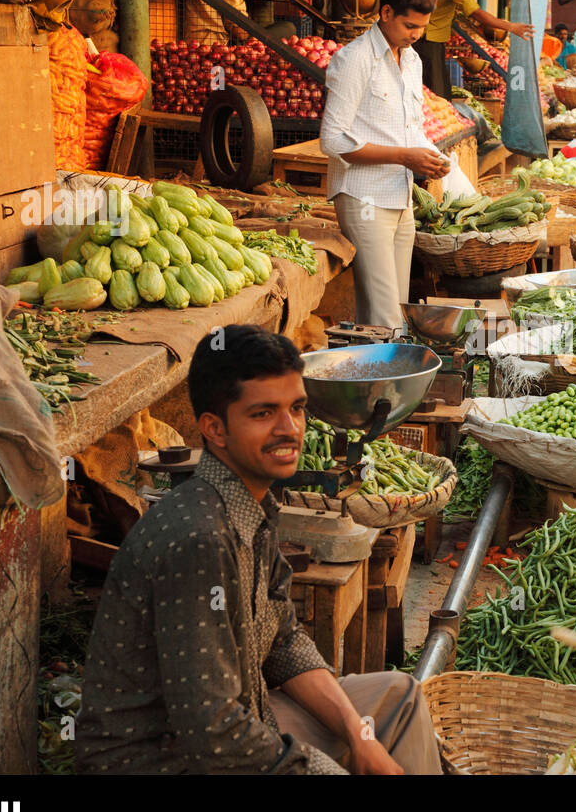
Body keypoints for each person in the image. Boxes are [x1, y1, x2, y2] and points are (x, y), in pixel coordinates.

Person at [77, 326, 442, 775]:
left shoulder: (255, 507)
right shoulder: (199, 541)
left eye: (297, 408)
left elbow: (283, 641)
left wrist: (359, 737)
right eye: (263, 413)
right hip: (164, 757)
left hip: (242, 716)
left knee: (399, 700)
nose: (288, 429)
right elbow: (215, 735)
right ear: (214, 429)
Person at [320, 0, 450, 329]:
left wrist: (432, 156)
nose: (416, 34)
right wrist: (405, 156)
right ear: (386, 12)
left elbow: (413, 128)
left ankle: (376, 376)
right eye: (410, 25)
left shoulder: (412, 61)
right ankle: (389, 383)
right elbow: (332, 140)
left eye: (422, 27)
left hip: (399, 195)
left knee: (396, 310)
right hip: (363, 197)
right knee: (385, 314)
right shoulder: (354, 60)